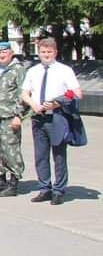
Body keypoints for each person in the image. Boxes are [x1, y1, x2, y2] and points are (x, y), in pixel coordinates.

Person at [21, 37, 84, 205]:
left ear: (55, 52)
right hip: (38, 117)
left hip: (57, 117)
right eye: (43, 52)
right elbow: (24, 93)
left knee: (59, 155)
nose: (46, 55)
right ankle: (44, 188)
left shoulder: (64, 70)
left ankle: (59, 190)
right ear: (39, 53)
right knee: (40, 156)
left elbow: (76, 93)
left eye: (49, 52)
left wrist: (58, 102)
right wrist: (33, 105)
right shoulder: (33, 71)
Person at [0, 42, 29, 196]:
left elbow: (23, 95)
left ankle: (14, 182)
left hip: (9, 117)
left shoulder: (18, 70)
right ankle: (0, 180)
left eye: (5, 51)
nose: (1, 54)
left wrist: (18, 115)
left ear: (11, 53)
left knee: (11, 150)